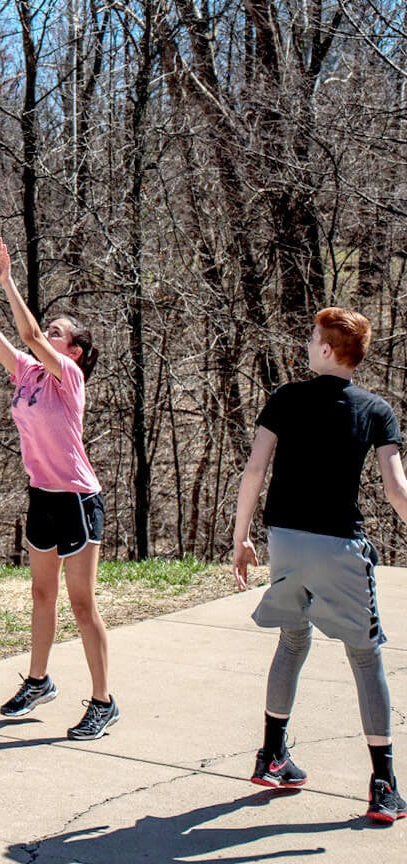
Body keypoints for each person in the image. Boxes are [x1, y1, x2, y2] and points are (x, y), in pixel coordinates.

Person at [233, 306, 407, 823]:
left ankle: (271, 756)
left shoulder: (286, 398)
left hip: (284, 540)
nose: (307, 345)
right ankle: (383, 783)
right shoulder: (376, 409)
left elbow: (255, 469)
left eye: (312, 339)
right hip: (338, 546)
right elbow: (396, 489)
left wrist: (241, 539)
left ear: (329, 350)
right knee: (364, 655)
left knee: (293, 638)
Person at [0, 238, 117, 740]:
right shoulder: (27, 372)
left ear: (74, 350)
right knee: (41, 593)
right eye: (49, 330)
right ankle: (38, 680)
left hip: (76, 498)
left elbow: (26, 331)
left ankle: (103, 701)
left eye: (58, 333)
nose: (46, 335)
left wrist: (6, 277)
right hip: (42, 495)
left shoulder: (68, 376)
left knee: (82, 604)